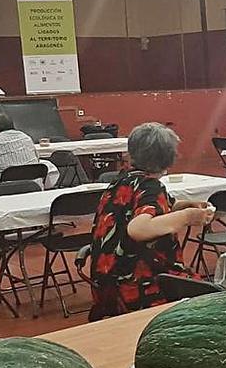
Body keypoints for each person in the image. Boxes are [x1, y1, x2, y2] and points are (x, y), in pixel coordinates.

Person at [89, 122, 214, 320]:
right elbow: (138, 229)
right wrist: (188, 217)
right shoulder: (151, 187)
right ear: (168, 158)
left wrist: (183, 206)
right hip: (136, 284)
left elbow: (150, 210)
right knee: (213, 297)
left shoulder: (121, 180)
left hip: (104, 282)